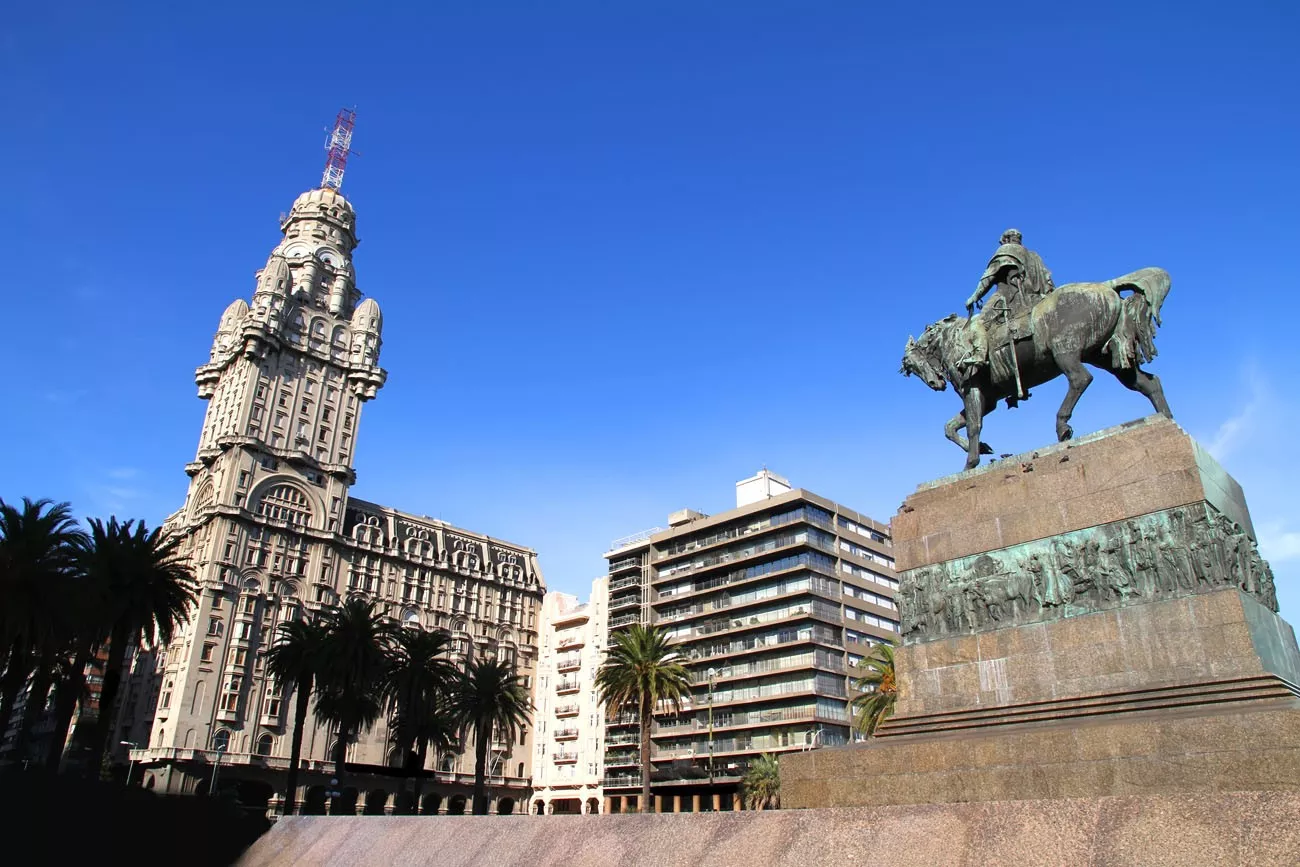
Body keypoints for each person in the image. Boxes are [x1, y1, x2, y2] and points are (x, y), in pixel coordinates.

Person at [965, 229, 1056, 405]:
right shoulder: (1034, 256)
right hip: (1035, 299)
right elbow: (1048, 279)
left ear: (1005, 240)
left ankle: (979, 355)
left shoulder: (1005, 251)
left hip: (1009, 296)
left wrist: (974, 296)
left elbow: (990, 276)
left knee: (978, 322)